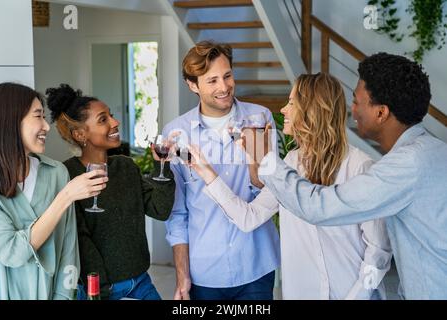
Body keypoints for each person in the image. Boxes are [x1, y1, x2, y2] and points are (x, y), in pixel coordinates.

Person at [249, 53, 447, 299]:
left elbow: (320, 207)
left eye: (357, 101)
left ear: (381, 113)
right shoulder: (435, 151)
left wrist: (265, 159)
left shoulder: (405, 165)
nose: (350, 109)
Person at [188, 73, 392, 299]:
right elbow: (249, 217)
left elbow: (379, 250)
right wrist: (206, 172)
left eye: (292, 103)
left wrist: (357, 296)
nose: (283, 110)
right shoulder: (289, 164)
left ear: (313, 110)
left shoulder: (360, 167)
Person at [162, 40, 280, 300]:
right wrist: (182, 273)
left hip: (256, 264)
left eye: (227, 76)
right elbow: (178, 212)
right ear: (193, 85)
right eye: (212, 80)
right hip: (205, 270)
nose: (224, 87)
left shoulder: (259, 119)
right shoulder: (175, 134)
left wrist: (255, 158)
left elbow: (270, 190)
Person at [46, 84, 176, 300]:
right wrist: (100, 290)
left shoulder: (125, 166)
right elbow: (80, 240)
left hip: (142, 281)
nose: (115, 122)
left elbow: (160, 209)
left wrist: (161, 166)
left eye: (111, 116)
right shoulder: (67, 175)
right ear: (80, 134)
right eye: (103, 119)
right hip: (99, 290)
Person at [0, 82, 107, 300]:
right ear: (11, 122)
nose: (47, 127)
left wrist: (64, 297)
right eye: (38, 116)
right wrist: (65, 197)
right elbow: (12, 252)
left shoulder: (56, 173)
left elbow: (69, 250)